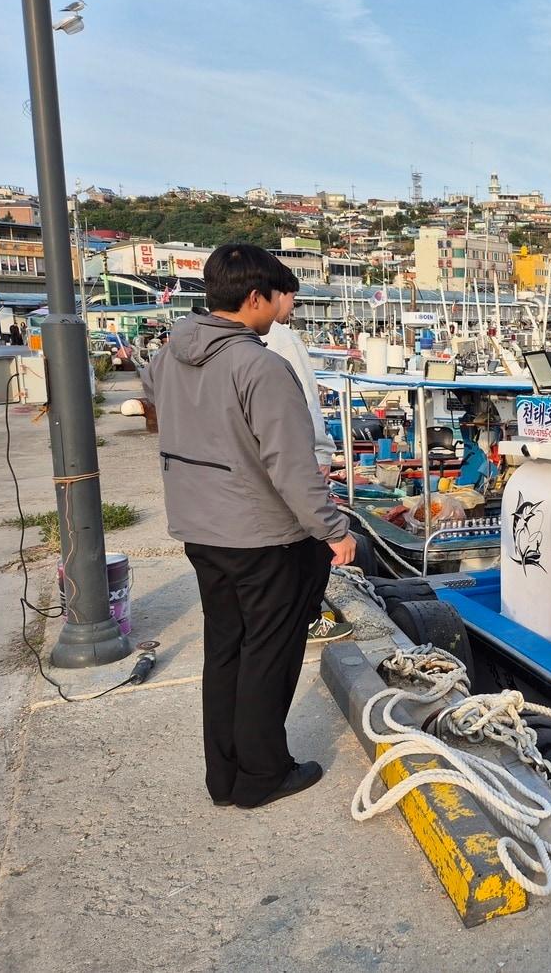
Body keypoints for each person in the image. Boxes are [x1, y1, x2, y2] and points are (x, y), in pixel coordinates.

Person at [143, 243, 355, 809]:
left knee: (226, 649)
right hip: (260, 535)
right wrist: (334, 530)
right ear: (256, 297)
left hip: (199, 529)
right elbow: (291, 465)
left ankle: (225, 775)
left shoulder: (168, 356)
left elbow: (156, 408)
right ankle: (263, 773)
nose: (282, 308)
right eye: (279, 297)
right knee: (270, 653)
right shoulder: (260, 365)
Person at [261, 273, 352, 644]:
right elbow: (307, 402)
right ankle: (310, 616)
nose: (294, 306)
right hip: (299, 455)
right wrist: (321, 452)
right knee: (313, 543)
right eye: (292, 298)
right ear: (273, 295)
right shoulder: (281, 339)